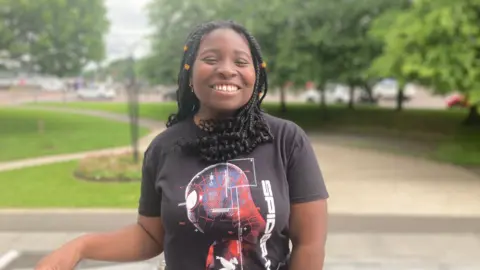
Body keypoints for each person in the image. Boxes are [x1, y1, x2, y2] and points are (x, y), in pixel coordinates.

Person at [35, 20, 329, 270]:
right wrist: (81, 247)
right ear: (189, 73)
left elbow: (309, 243)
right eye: (211, 59)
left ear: (257, 75)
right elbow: (150, 237)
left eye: (241, 61)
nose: (227, 70)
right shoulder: (164, 148)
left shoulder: (287, 140)